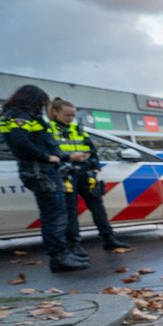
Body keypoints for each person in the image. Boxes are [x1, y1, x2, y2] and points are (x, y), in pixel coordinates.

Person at [0, 85, 88, 272]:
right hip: (40, 170)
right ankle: (58, 258)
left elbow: (41, 144)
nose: (44, 106)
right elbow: (20, 141)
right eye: (42, 102)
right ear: (33, 100)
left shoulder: (24, 116)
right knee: (54, 215)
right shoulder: (20, 116)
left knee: (56, 213)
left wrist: (65, 157)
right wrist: (46, 157)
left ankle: (62, 253)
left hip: (43, 169)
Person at [47, 98, 129, 253]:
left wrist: (95, 167)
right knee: (71, 211)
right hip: (65, 174)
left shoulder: (77, 128)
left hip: (85, 172)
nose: (70, 118)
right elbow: (49, 153)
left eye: (72, 115)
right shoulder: (49, 130)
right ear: (55, 112)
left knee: (97, 207)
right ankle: (75, 245)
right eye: (67, 115)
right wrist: (69, 158)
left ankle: (109, 239)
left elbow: (92, 150)